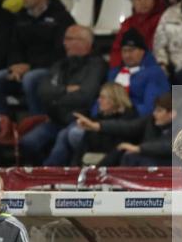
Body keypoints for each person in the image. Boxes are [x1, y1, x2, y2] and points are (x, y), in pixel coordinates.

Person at [43, 28, 167, 166]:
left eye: (132, 50)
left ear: (143, 51)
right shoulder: (114, 73)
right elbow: (101, 98)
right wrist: (100, 114)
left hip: (130, 122)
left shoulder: (154, 74)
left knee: (75, 133)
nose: (127, 55)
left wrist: (122, 109)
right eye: (124, 50)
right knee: (65, 134)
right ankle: (54, 172)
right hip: (106, 118)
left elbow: (152, 106)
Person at [0, 0, 74, 115]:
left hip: (51, 68)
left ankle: (36, 122)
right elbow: (14, 45)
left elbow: (61, 51)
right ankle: (4, 124)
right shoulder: (20, 17)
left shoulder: (60, 17)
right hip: (24, 68)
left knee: (30, 79)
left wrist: (30, 66)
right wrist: (15, 65)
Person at [20, 25, 106, 164]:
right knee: (28, 142)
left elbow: (86, 96)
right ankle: (38, 174)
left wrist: (55, 99)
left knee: (63, 141)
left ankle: (46, 178)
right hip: (56, 119)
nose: (65, 43)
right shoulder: (61, 64)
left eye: (69, 39)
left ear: (85, 42)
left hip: (79, 119)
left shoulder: (97, 66)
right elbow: (43, 90)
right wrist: (65, 90)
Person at [72, 83, 140, 165]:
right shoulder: (97, 118)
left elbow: (120, 149)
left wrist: (99, 167)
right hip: (92, 165)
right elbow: (83, 146)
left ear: (115, 99)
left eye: (103, 98)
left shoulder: (129, 119)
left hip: (116, 167)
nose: (99, 100)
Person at [108, 0, 165, 69]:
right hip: (127, 66)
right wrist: (116, 69)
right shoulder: (127, 23)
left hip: (152, 65)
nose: (143, 2)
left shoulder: (162, 19)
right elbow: (117, 49)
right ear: (132, 2)